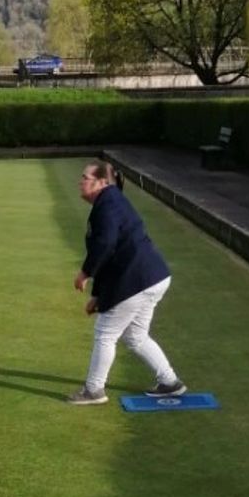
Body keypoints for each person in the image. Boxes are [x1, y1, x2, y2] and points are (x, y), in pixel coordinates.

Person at [66, 160, 186, 406]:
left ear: (102, 182)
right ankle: (170, 382)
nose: (80, 181)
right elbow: (112, 256)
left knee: (105, 333)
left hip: (137, 278)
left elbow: (106, 244)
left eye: (85, 177)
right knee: (136, 336)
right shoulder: (109, 202)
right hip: (153, 276)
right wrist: (98, 297)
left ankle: (93, 390)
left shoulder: (107, 203)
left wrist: (85, 272)